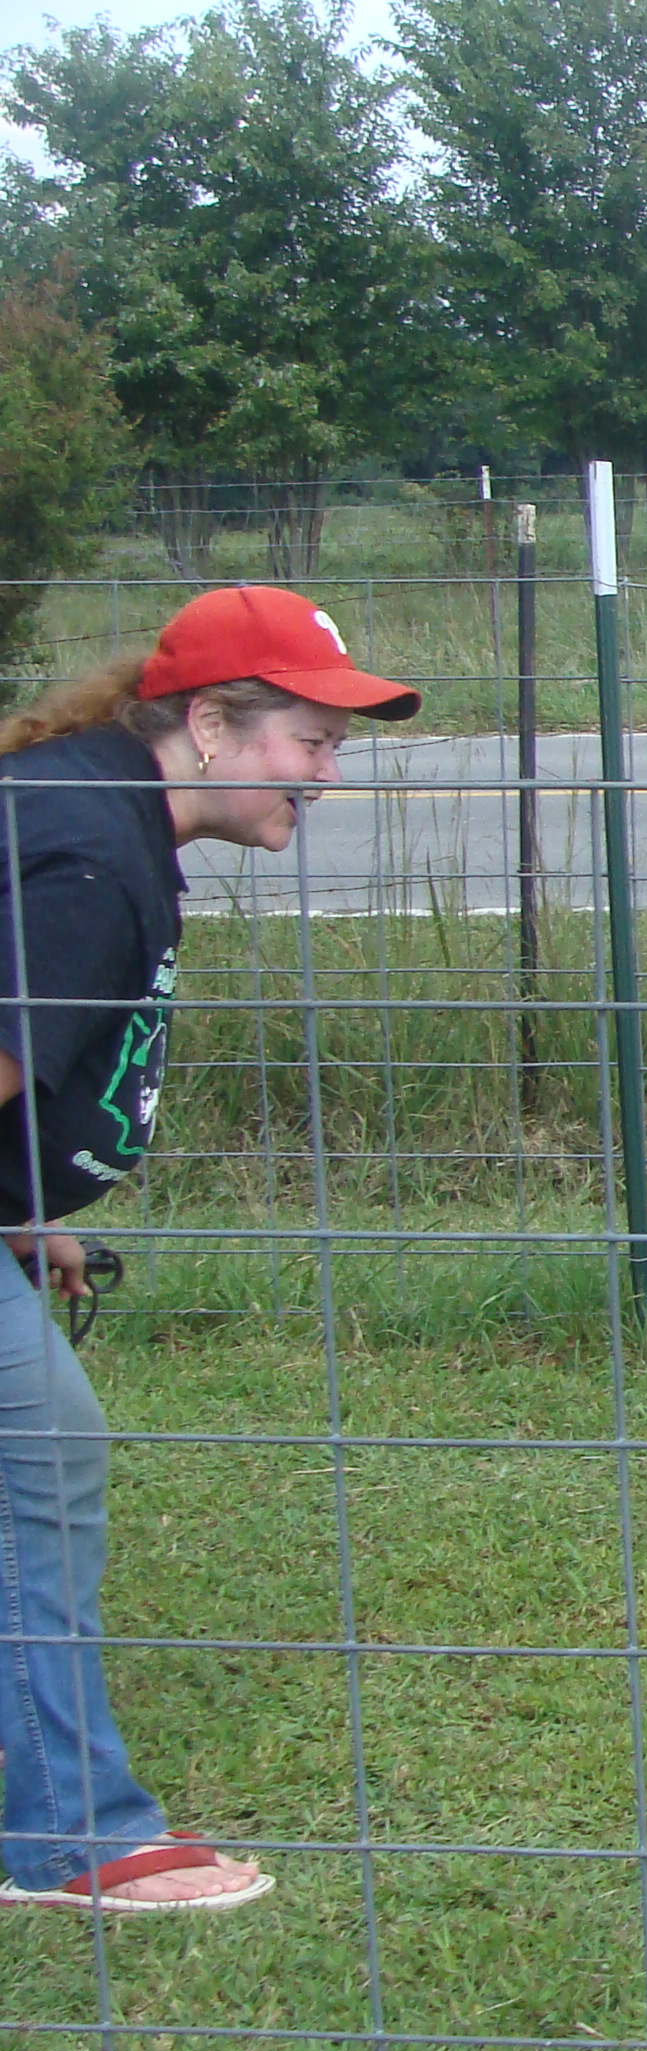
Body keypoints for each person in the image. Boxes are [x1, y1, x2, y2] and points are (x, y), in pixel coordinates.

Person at [0, 586, 416, 1912]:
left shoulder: (83, 806)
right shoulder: (91, 860)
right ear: (216, 724)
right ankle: (73, 1839)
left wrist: (21, 1212)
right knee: (40, 1466)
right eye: (313, 740)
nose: (328, 775)